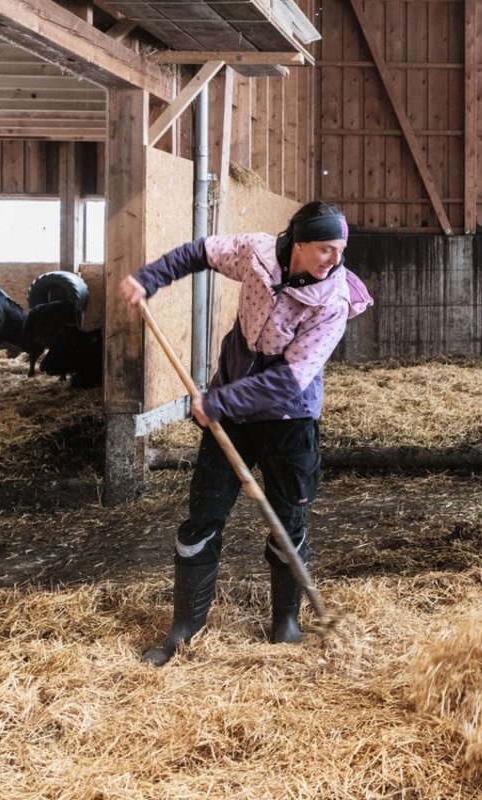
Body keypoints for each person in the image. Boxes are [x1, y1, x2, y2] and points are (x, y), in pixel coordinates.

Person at [120, 200, 373, 667]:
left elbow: (290, 379)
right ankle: (184, 629)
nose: (334, 260)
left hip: (288, 421)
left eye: (339, 250)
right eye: (323, 250)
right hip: (231, 417)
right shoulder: (256, 254)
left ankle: (287, 626)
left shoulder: (333, 301)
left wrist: (218, 401)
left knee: (287, 521)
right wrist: (150, 277)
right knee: (203, 517)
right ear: (297, 244)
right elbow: (200, 252)